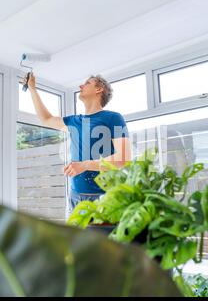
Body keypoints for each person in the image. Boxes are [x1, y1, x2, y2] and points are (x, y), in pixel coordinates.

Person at [24, 72, 131, 214]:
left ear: (99, 89)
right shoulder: (74, 121)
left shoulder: (113, 118)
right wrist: (32, 88)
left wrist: (85, 165)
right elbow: (46, 119)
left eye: (87, 83)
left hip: (104, 198)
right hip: (75, 197)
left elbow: (123, 159)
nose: (81, 85)